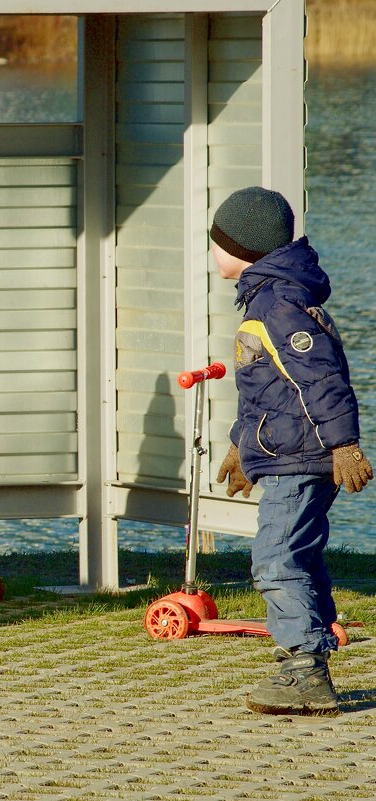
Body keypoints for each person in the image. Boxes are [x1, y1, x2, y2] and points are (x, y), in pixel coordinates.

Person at [211, 186, 372, 716]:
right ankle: (313, 646)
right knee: (298, 555)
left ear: (246, 248)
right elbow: (266, 391)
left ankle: (303, 670)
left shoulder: (279, 307)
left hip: (302, 459)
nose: (213, 253)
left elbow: (321, 379)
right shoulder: (269, 298)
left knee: (276, 560)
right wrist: (240, 447)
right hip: (288, 455)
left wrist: (345, 444)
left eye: (218, 243)